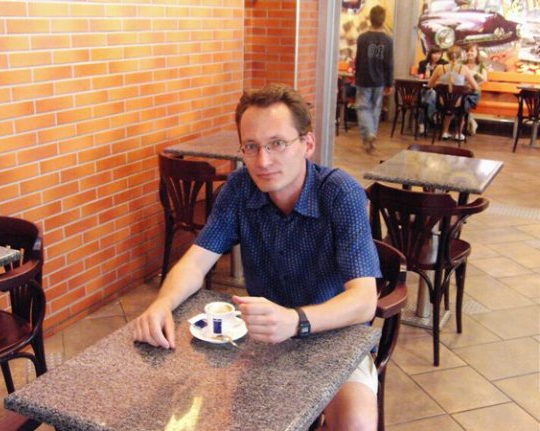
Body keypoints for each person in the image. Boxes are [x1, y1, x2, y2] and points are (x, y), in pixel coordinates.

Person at [134, 83, 381, 431]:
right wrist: (162, 304)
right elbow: (195, 262)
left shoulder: (340, 193)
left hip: (334, 335)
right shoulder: (239, 189)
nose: (262, 161)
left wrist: (296, 321)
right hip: (263, 340)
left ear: (307, 144)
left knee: (357, 423)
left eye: (277, 143)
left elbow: (365, 300)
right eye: (251, 147)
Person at [354, 5, 394, 153]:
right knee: (375, 110)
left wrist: (356, 76)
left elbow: (358, 60)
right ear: (383, 20)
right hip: (380, 81)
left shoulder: (362, 38)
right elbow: (389, 63)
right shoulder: (388, 40)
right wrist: (390, 83)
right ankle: (371, 137)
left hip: (364, 79)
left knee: (363, 108)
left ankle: (369, 135)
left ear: (370, 19)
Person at [427, 45, 479, 141]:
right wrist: (464, 85)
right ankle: (458, 133)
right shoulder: (464, 68)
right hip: (458, 103)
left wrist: (439, 84)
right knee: (465, 104)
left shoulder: (439, 68)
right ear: (460, 56)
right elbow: (476, 87)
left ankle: (445, 132)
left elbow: (429, 85)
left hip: (442, 102)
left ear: (447, 56)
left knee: (449, 105)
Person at [416, 47, 448, 134]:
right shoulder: (423, 63)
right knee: (430, 94)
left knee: (427, 100)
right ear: (430, 54)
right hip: (424, 89)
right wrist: (421, 76)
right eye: (434, 53)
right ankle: (434, 117)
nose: (436, 56)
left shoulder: (444, 64)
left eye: (439, 54)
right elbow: (420, 75)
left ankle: (422, 123)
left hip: (439, 92)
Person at [463, 43, 488, 135]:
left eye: (472, 51)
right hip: (462, 91)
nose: (469, 53)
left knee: (463, 105)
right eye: (467, 51)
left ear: (477, 53)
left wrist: (475, 73)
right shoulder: (462, 64)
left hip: (474, 92)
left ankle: (468, 125)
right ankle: (471, 124)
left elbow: (484, 79)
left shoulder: (481, 65)